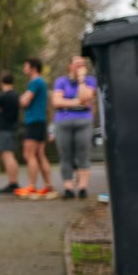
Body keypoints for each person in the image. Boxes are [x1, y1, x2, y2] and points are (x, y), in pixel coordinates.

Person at [51, 55, 98, 200]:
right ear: (69, 66)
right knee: (66, 155)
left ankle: (83, 188)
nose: (80, 66)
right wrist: (77, 102)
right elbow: (57, 102)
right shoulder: (61, 81)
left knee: (82, 154)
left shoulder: (90, 81)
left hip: (83, 121)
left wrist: (81, 80)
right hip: (62, 122)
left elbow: (85, 98)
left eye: (82, 64)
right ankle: (68, 188)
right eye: (77, 63)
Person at [16, 57, 53, 199]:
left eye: (26, 66)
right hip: (40, 121)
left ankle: (31, 186)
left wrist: (21, 99)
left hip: (34, 121)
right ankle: (48, 185)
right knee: (39, 154)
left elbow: (25, 102)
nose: (24, 69)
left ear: (33, 68)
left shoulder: (35, 82)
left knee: (29, 154)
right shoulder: (40, 82)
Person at [0, 73, 21, 194]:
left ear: (1, 82)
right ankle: (14, 181)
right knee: (11, 154)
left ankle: (13, 183)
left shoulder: (1, 96)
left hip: (3, 128)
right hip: (13, 127)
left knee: (7, 155)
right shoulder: (16, 95)